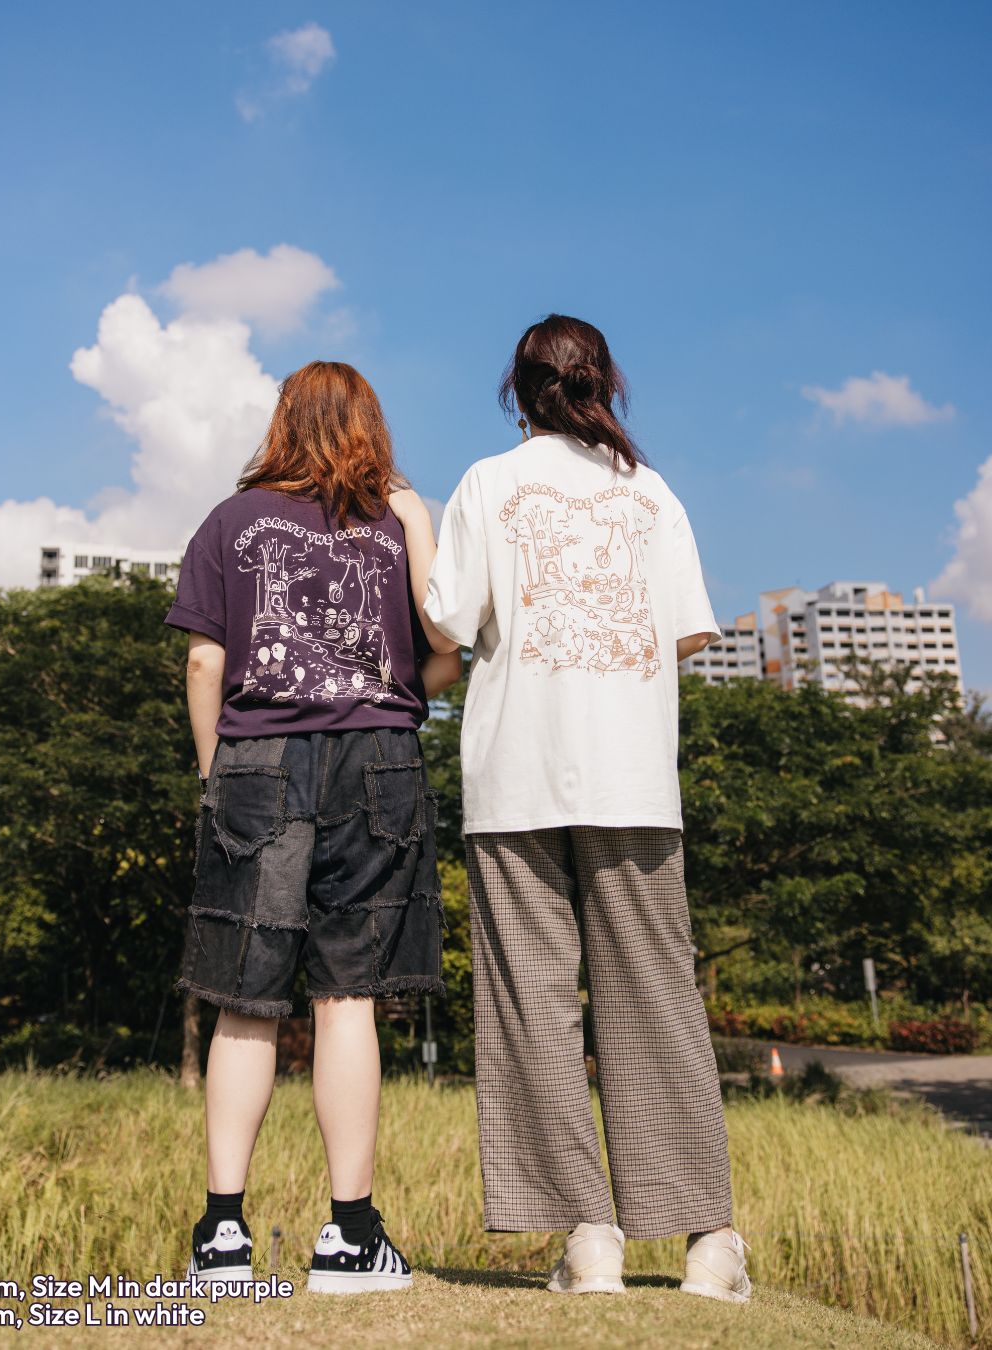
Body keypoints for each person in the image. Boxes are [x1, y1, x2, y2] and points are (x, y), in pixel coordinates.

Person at [420, 314, 751, 1302]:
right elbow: (689, 635)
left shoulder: (487, 483)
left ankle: (590, 1238)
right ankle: (709, 1246)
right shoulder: (653, 495)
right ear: (604, 384)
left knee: (535, 1010)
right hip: (635, 779)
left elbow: (447, 619)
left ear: (518, 391)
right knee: (657, 1002)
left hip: (517, 773)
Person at [165, 360, 461, 1293]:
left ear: (282, 420)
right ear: (370, 425)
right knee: (348, 997)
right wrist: (416, 525)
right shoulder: (389, 524)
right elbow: (448, 654)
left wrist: (220, 775)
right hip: (379, 759)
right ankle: (351, 1236)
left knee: (244, 997)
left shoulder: (231, 519)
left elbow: (206, 663)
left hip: (256, 759)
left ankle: (222, 1236)